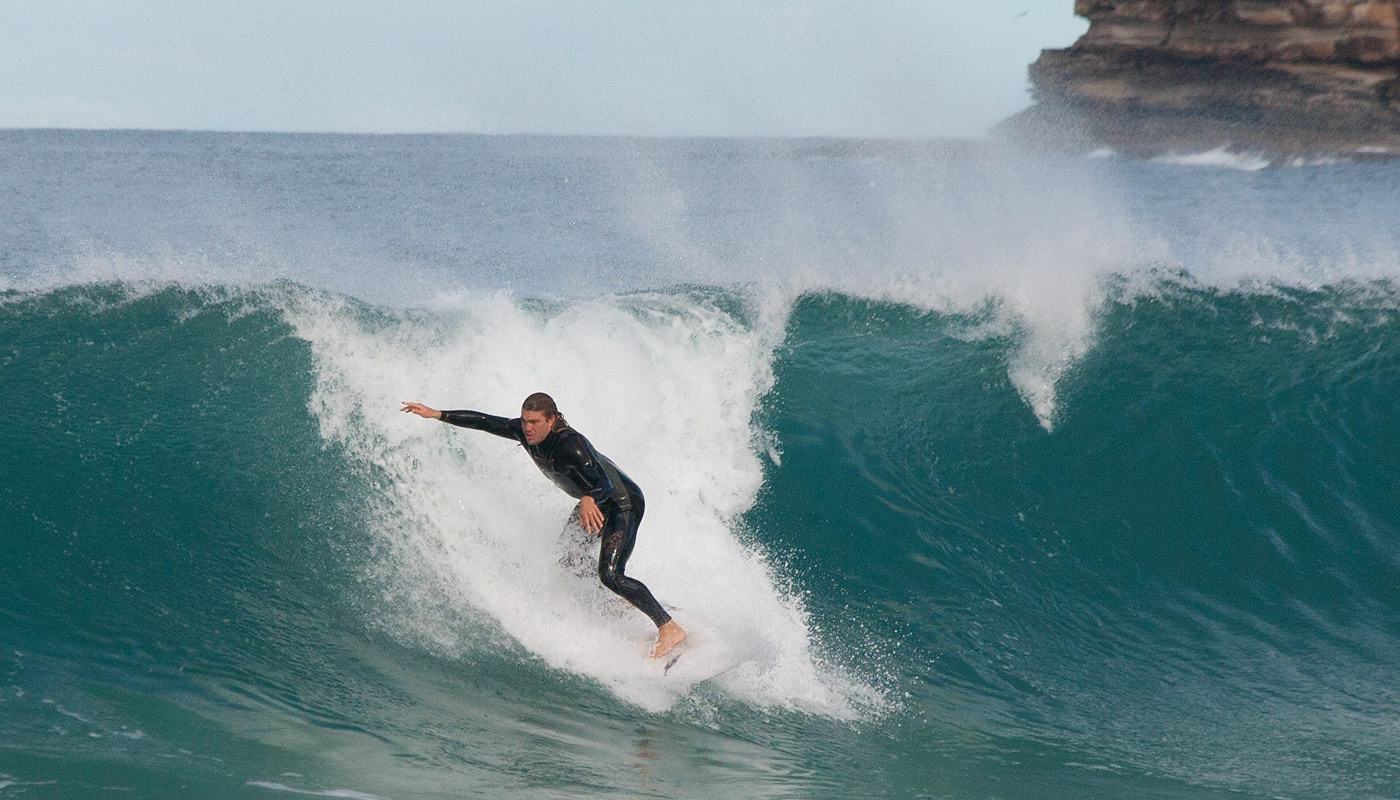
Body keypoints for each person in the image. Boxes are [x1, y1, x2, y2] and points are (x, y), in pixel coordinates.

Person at [400, 392, 688, 658]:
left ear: (551, 420)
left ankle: (669, 628)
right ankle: (619, 599)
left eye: (535, 422)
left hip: (622, 504)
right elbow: (485, 422)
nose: (528, 428)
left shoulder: (572, 446)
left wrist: (590, 497)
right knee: (568, 556)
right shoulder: (524, 433)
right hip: (593, 503)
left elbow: (605, 483)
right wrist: (438, 414)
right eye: (525, 420)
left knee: (611, 574)